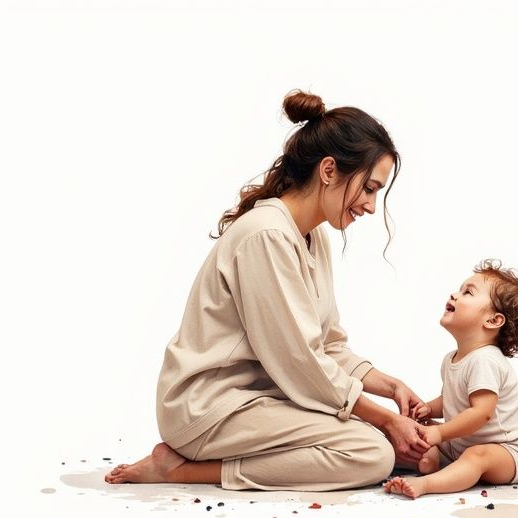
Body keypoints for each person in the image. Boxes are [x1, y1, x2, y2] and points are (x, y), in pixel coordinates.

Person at [105, 90, 430, 491]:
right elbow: (300, 361)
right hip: (208, 407)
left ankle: (197, 463)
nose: (369, 205)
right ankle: (176, 469)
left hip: (259, 399)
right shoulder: (266, 236)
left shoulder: (311, 237)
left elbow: (326, 344)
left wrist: (390, 386)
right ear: (329, 170)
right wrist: (382, 418)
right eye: (368, 188)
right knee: (372, 452)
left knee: (381, 443)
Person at [384, 259, 518, 499]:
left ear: (493, 321)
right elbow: (451, 398)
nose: (455, 294)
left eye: (467, 292)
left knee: (476, 455)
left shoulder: (485, 360)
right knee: (428, 447)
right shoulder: (452, 359)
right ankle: (436, 464)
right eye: (460, 289)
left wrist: (441, 433)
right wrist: (429, 409)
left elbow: (481, 413)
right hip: (463, 444)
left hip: (506, 452)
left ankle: (426, 484)